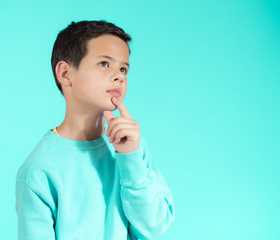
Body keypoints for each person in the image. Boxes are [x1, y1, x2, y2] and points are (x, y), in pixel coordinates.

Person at [15, 20, 175, 240]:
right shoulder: (39, 170)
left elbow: (154, 227)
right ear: (65, 73)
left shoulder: (133, 146)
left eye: (123, 69)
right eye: (104, 64)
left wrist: (131, 158)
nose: (119, 76)